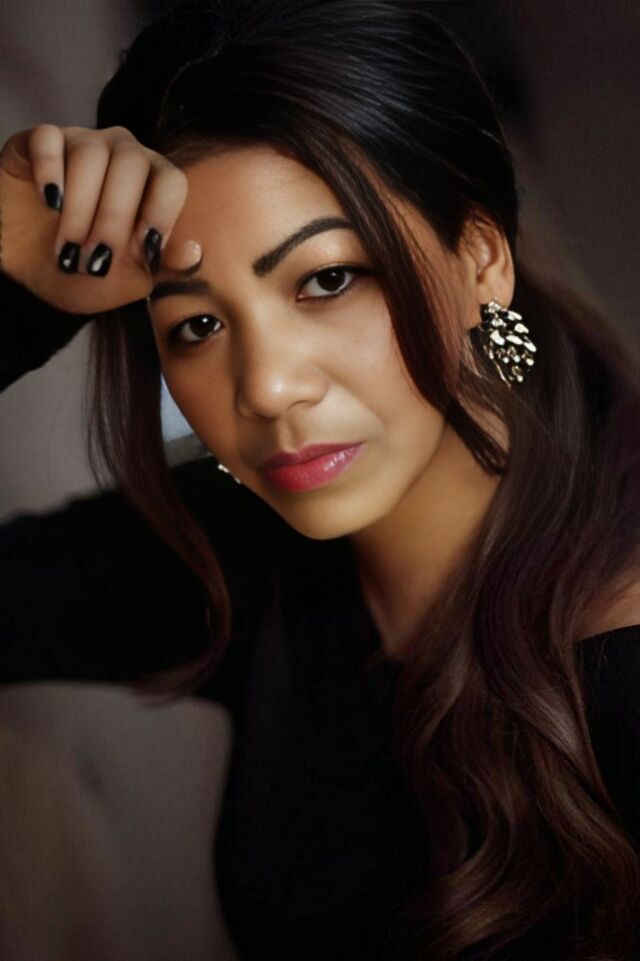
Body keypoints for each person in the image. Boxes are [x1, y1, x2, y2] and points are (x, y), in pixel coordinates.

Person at [1, 0, 640, 958]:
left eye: (328, 279)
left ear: (480, 258)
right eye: (197, 324)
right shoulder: (245, 551)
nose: (266, 386)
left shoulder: (622, 655)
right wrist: (11, 295)